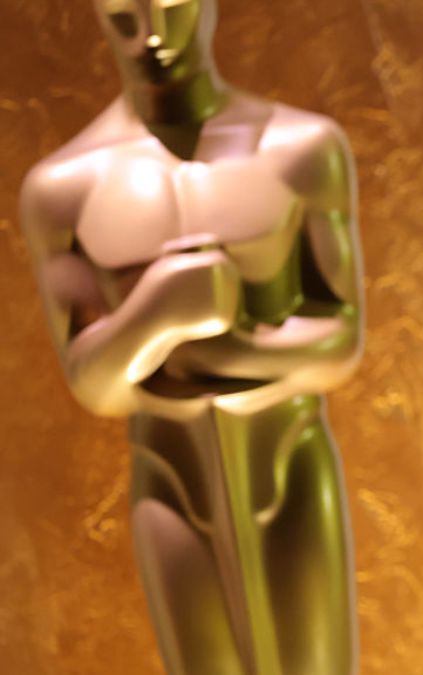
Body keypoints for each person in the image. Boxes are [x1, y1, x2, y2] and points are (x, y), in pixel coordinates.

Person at [19, 1, 362, 673]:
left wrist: (218, 350)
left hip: (289, 459)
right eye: (126, 15)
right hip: (169, 475)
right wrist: (156, 311)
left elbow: (341, 339)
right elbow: (93, 382)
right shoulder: (63, 188)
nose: (151, 35)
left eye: (170, 8)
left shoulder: (301, 148)